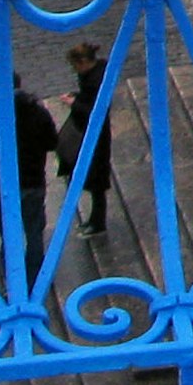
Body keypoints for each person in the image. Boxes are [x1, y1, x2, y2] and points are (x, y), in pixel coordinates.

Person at [0, 81, 63, 273]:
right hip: (33, 182)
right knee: (34, 229)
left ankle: (10, 274)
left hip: (4, 184)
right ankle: (36, 272)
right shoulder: (39, 114)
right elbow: (52, 142)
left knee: (8, 232)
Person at [60, 39, 116, 237]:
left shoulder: (95, 80)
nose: (75, 70)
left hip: (96, 135)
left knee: (97, 181)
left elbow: (94, 110)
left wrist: (73, 102)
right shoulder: (96, 75)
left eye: (75, 66)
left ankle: (97, 222)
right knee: (95, 180)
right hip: (94, 132)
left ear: (83, 62)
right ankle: (94, 220)